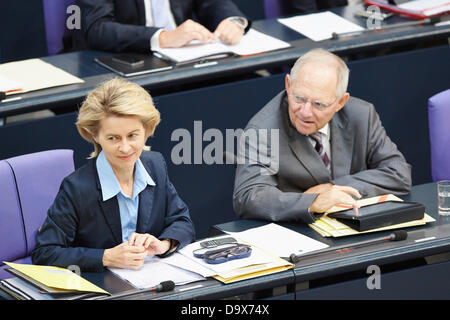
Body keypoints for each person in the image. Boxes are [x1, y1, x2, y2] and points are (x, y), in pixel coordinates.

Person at [32, 78, 195, 271]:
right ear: (95, 136)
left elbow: (182, 221)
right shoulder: (76, 188)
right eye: (113, 138)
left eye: (133, 135)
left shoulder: (155, 164)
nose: (125, 148)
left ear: (147, 129)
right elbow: (45, 253)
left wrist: (164, 244)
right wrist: (105, 257)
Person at [233, 48, 411, 223]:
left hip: (354, 223)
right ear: (288, 85)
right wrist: (313, 202)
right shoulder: (262, 130)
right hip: (299, 230)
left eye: (319, 104)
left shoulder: (362, 115)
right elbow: (250, 196)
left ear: (341, 102)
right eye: (299, 98)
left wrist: (333, 189)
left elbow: (398, 173)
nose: (305, 112)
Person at [75, 0, 251, 53]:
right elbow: (97, 28)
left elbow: (212, 3)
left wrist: (233, 21)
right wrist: (163, 37)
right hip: (128, 59)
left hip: (185, 59)